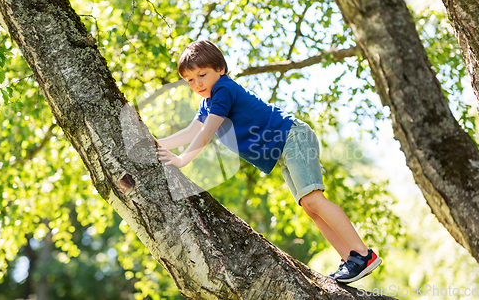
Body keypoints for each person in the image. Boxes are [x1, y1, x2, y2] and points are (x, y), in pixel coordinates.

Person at [155, 40, 382, 283]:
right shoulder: (207, 102)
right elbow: (190, 132)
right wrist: (154, 144)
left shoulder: (223, 90)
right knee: (309, 205)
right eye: (190, 79)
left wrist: (182, 159)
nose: (197, 83)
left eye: (202, 74)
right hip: (285, 147)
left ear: (220, 69)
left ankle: (362, 254)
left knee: (314, 199)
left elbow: (206, 133)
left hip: (292, 136)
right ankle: (349, 259)